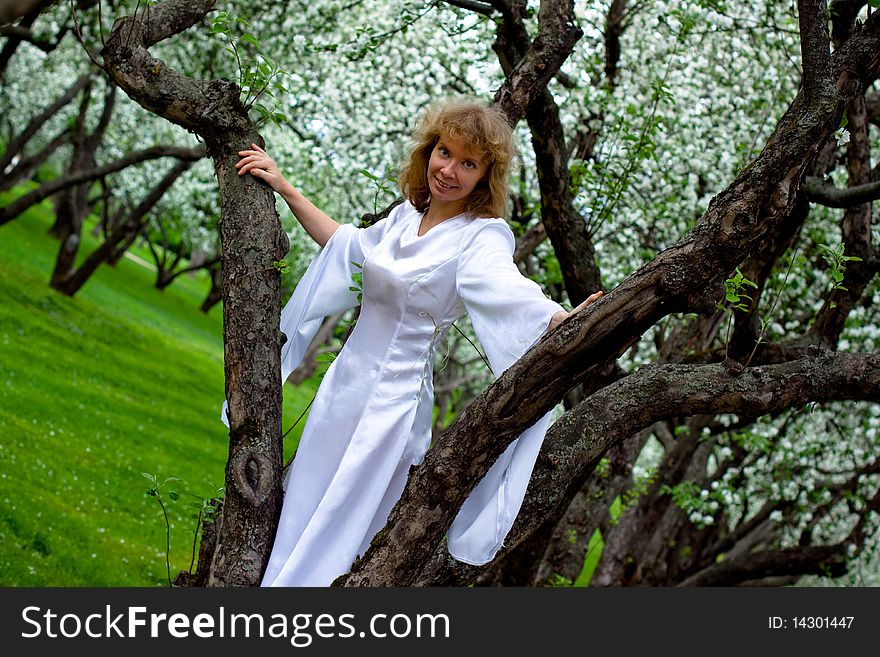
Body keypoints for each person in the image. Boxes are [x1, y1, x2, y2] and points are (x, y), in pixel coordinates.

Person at [234, 99, 602, 586]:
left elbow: (506, 287)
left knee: (344, 515)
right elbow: (348, 247)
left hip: (392, 404)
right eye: (444, 152)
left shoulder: (482, 236)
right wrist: (284, 187)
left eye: (468, 163)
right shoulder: (407, 216)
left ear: (485, 176)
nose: (448, 170)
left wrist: (557, 319)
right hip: (344, 387)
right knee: (306, 496)